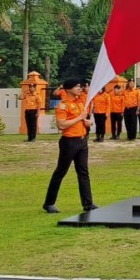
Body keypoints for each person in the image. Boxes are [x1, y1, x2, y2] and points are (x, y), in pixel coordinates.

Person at [42, 79, 96, 214]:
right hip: (69, 142)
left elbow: (82, 118)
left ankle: (88, 204)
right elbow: (61, 125)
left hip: (82, 141)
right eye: (77, 86)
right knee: (61, 171)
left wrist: (87, 122)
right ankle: (49, 203)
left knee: (83, 172)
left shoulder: (79, 103)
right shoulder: (63, 105)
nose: (80, 88)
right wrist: (80, 118)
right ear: (68, 89)